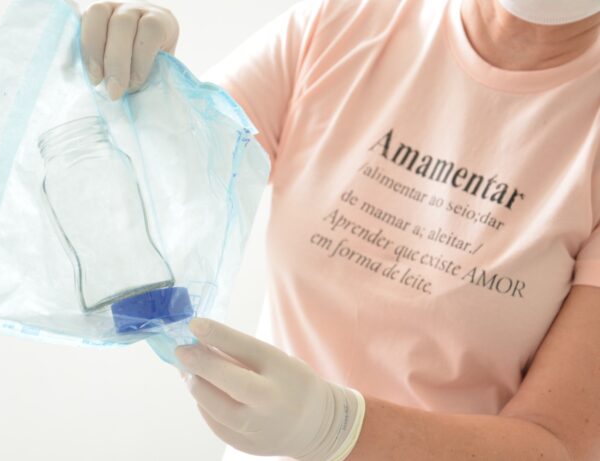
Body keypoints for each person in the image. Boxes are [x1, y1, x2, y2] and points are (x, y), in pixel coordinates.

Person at [80, 0, 600, 459]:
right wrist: (136, 84)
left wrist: (337, 428)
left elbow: (556, 443)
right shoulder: (345, 23)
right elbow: (145, 196)